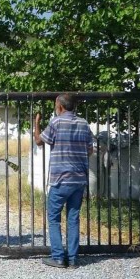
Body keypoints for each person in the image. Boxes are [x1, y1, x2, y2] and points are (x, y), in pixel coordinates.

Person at [34, 93, 93, 268]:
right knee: (73, 218)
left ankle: (58, 257)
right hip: (79, 179)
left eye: (55, 105)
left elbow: (39, 141)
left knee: (54, 218)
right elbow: (90, 150)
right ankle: (73, 259)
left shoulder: (56, 122)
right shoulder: (84, 124)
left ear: (59, 106)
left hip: (60, 179)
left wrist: (36, 123)